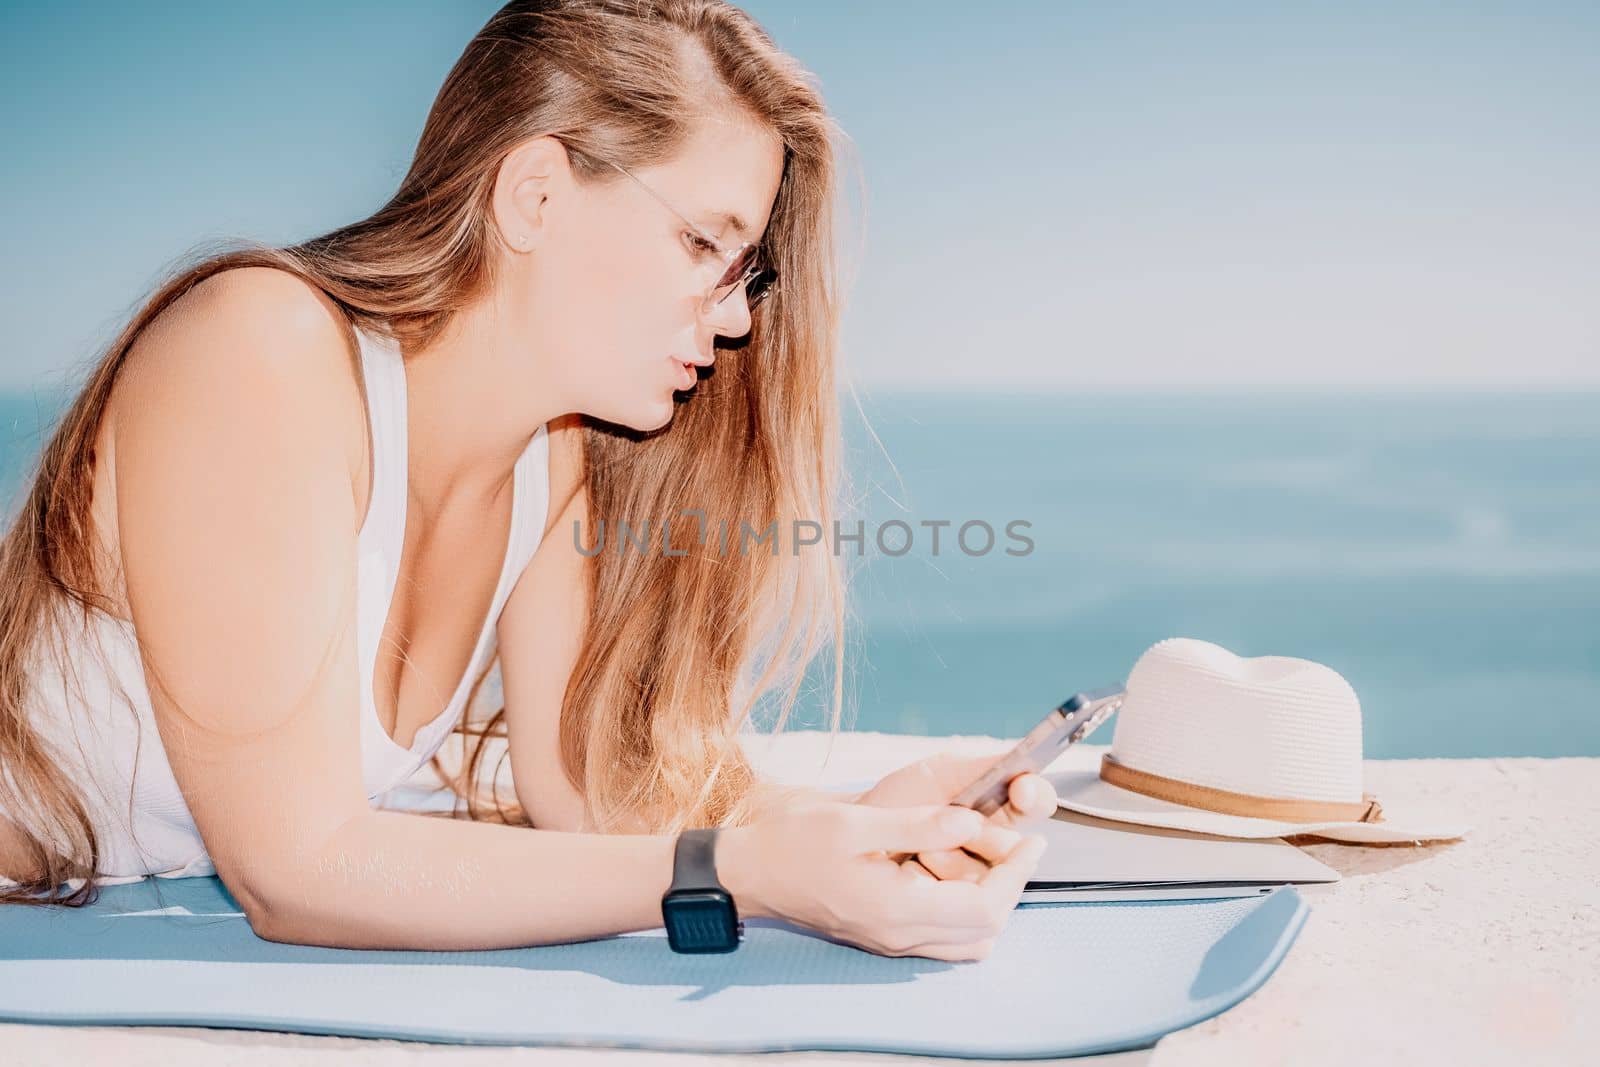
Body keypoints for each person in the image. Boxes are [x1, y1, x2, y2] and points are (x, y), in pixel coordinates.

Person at [0, 0, 1055, 960]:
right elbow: (299, 868)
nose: (735, 319)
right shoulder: (258, 348)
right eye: (702, 243)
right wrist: (750, 874)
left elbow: (596, 807)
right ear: (535, 192)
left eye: (746, 274)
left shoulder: (547, 459)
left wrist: (873, 820)